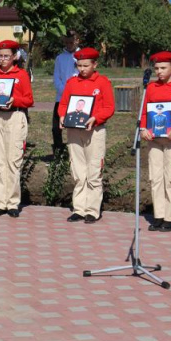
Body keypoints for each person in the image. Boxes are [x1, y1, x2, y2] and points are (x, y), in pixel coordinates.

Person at [58, 47, 115, 223]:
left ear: (94, 64)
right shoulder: (72, 82)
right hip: (74, 131)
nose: (82, 69)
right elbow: (64, 103)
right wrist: (62, 116)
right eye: (79, 65)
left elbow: (109, 107)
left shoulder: (103, 82)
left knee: (94, 169)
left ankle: (92, 210)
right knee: (78, 169)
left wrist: (96, 118)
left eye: (85, 65)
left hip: (94, 131)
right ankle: (79, 208)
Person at [139, 51, 171, 232]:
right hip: (154, 139)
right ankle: (159, 215)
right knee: (156, 178)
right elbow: (145, 112)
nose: (159, 72)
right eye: (156, 68)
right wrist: (143, 128)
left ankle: (170, 217)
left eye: (163, 68)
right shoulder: (151, 88)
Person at [0, 40, 34, 218]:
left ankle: (12, 203)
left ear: (14, 57)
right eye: (0, 56)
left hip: (15, 116)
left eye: (7, 56)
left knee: (13, 160)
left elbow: (29, 99)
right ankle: (0, 202)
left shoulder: (21, 74)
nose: (3, 59)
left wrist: (16, 100)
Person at [52, 31, 79, 155]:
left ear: (77, 41)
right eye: (66, 42)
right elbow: (56, 77)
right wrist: (64, 90)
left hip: (77, 98)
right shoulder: (59, 58)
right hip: (61, 98)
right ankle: (58, 153)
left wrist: (73, 92)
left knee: (75, 126)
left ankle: (75, 152)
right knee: (56, 128)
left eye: (71, 42)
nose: (69, 45)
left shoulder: (81, 56)